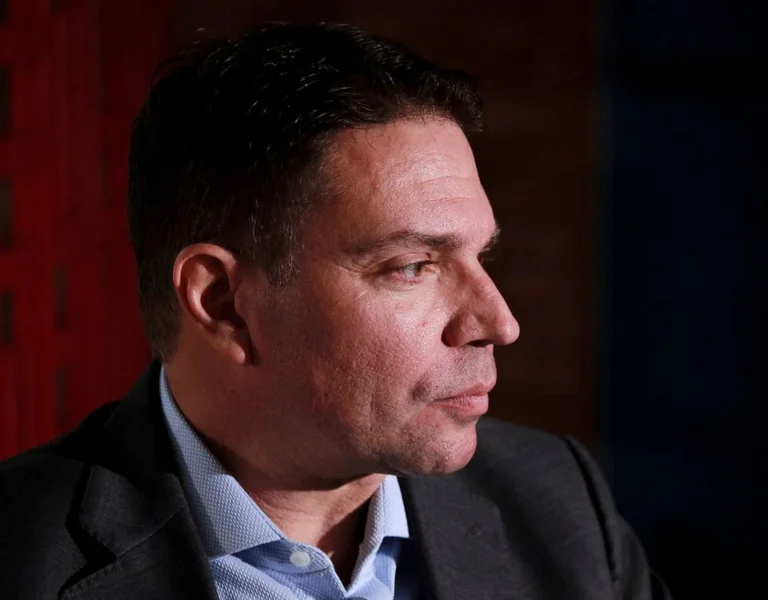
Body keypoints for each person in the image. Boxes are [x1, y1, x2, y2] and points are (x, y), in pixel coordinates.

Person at [0, 22, 670, 600]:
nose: (498, 322)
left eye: (480, 256)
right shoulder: (20, 560)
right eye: (413, 266)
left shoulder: (558, 507)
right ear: (224, 304)